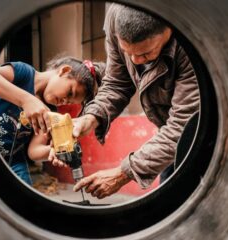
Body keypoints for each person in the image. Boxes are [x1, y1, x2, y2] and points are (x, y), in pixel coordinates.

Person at [71, 4, 200, 199]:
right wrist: (90, 117)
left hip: (205, 133)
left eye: (145, 53)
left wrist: (123, 173)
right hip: (169, 136)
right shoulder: (115, 21)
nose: (136, 60)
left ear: (169, 29)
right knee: (168, 204)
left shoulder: (193, 43)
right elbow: (117, 82)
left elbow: (184, 125)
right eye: (128, 52)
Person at [0, 56, 105, 185]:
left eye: (69, 102)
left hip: (11, 161)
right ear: (64, 71)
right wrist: (26, 100)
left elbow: (33, 151)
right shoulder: (24, 73)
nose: (64, 101)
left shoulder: (51, 113)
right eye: (70, 93)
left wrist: (54, 151)